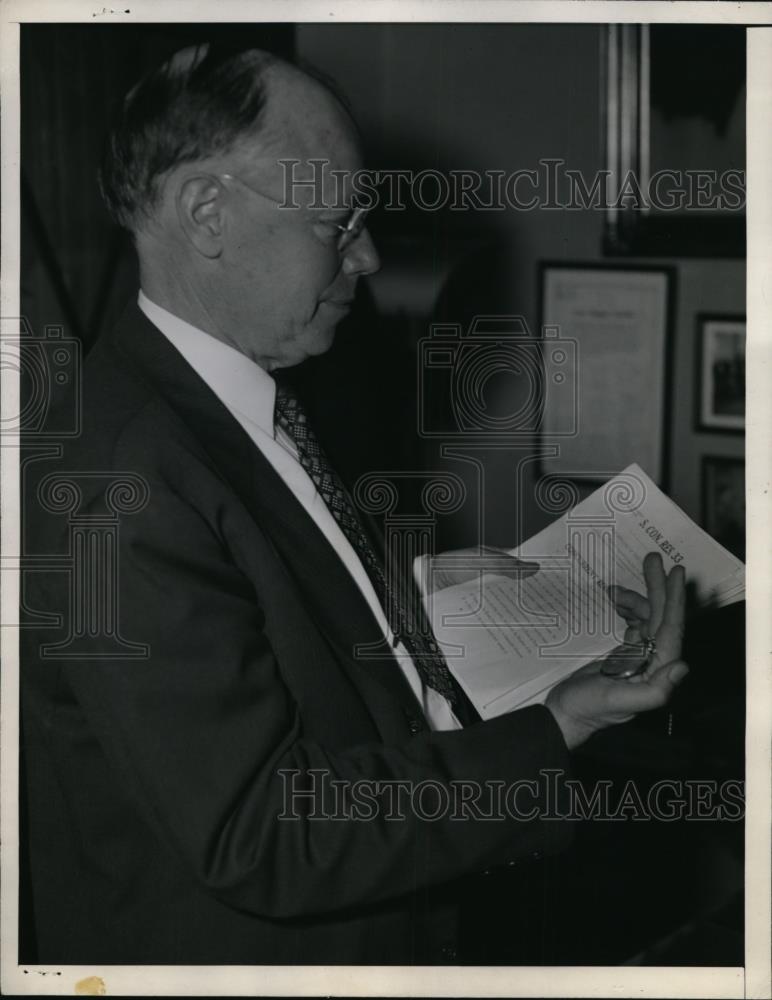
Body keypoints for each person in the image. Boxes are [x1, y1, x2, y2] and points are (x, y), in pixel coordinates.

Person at [20, 45, 688, 965]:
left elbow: (294, 632)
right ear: (207, 214)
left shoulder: (252, 401)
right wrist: (559, 725)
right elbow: (265, 833)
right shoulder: (123, 478)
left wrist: (456, 610)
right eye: (338, 224)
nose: (367, 258)